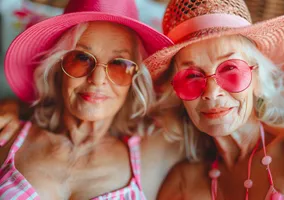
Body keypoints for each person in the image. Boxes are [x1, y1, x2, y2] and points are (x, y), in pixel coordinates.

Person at [0, 0, 184, 199]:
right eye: (82, 58)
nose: (97, 79)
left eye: (119, 64)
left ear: (135, 79)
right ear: (58, 66)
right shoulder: (7, 135)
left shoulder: (153, 153)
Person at [143, 0, 284, 199]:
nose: (211, 92)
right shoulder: (183, 185)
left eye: (229, 69)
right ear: (176, 93)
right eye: (191, 76)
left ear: (257, 79)